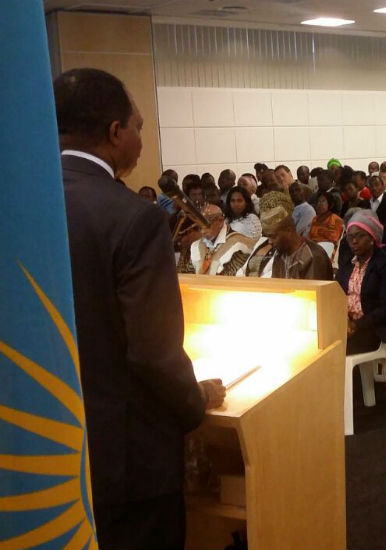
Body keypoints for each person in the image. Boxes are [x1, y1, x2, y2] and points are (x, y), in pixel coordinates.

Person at [55, 67, 225, 549]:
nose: (141, 142)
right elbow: (153, 352)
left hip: (45, 443)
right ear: (115, 132)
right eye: (139, 128)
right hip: (126, 458)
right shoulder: (133, 218)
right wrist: (194, 401)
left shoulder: (22, 204)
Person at [336, 210, 386, 354]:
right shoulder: (348, 263)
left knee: (335, 349)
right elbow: (336, 293)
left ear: (372, 237)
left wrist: (356, 325)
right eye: (350, 237)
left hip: (372, 328)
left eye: (360, 236)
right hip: (346, 323)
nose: (354, 241)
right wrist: (345, 321)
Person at [237, 206, 332, 280]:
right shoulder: (280, 253)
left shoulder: (313, 256)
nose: (269, 242)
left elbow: (314, 294)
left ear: (289, 231)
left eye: (273, 236)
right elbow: (277, 287)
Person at [191, 204, 255, 276]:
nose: (203, 231)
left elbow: (230, 275)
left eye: (207, 226)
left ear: (220, 221)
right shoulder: (196, 245)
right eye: (200, 227)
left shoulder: (239, 244)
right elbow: (187, 273)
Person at [307, 190, 345, 259]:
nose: (320, 204)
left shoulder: (336, 220)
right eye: (318, 201)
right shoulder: (314, 219)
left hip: (327, 252)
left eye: (323, 201)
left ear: (330, 204)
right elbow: (310, 237)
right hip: (312, 251)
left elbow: (334, 240)